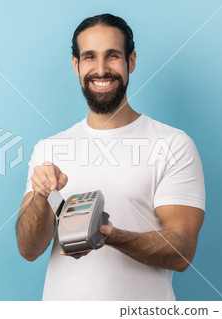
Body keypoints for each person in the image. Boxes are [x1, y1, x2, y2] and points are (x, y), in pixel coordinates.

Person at [15, 13, 205, 301]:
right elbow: (28, 249)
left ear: (131, 61)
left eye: (112, 56)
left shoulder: (173, 144)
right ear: (76, 66)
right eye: (89, 57)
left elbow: (182, 251)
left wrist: (109, 235)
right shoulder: (50, 150)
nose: (101, 69)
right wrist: (41, 196)